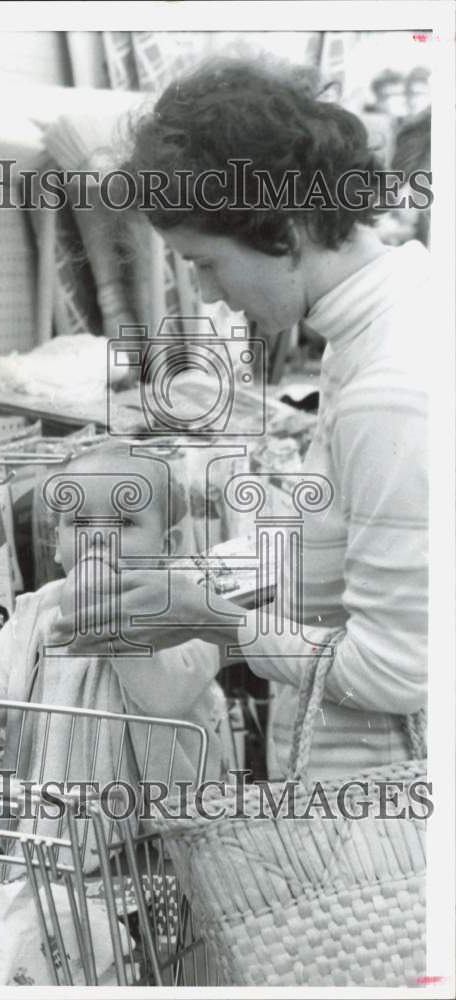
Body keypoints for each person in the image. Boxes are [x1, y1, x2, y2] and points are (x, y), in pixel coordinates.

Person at [50, 58, 428, 781]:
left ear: (284, 231)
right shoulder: (386, 319)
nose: (211, 296)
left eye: (207, 263)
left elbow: (395, 673)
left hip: (383, 825)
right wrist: (195, 575)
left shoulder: (393, 385)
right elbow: (340, 547)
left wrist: (210, 617)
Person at [0, 441, 234, 867]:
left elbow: (168, 693)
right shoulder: (39, 611)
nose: (99, 536)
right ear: (58, 545)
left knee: (151, 924)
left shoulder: (188, 610)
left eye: (124, 521)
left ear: (168, 544)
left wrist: (116, 625)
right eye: (79, 521)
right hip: (52, 818)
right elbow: (1, 663)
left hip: (155, 828)